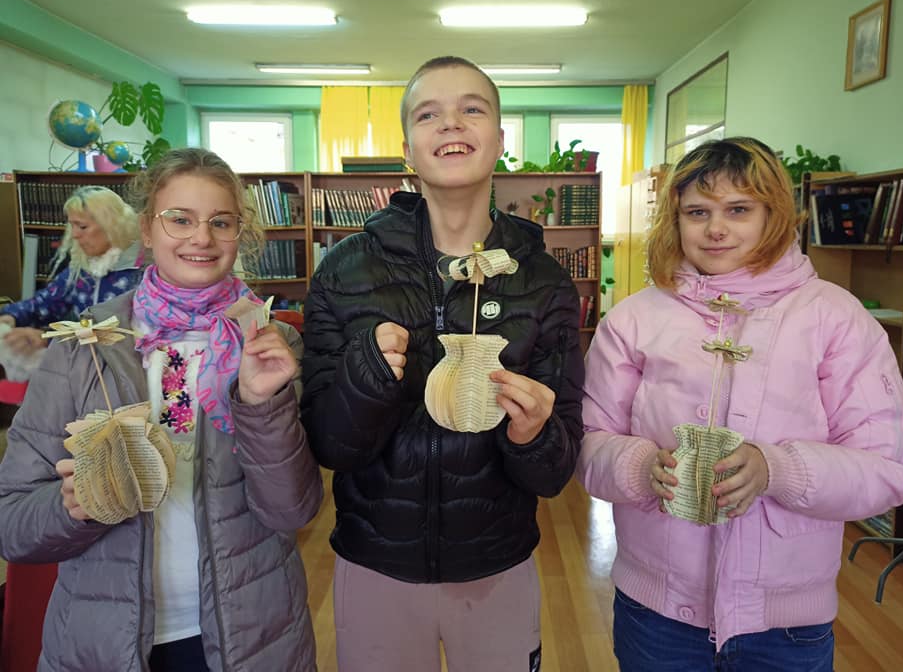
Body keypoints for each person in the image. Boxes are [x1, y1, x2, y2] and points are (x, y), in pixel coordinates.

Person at [576, 136, 903, 671]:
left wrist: (776, 469)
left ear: (773, 214)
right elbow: (586, 444)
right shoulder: (633, 319)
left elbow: (890, 467)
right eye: (697, 212)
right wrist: (639, 466)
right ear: (674, 220)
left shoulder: (835, 317)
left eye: (738, 210)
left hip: (786, 624)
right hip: (657, 613)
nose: (716, 229)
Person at [301, 56, 584, 672]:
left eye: (471, 109)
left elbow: (554, 473)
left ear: (500, 140)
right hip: (374, 563)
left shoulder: (544, 281)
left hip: (497, 564)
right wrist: (367, 376)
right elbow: (330, 446)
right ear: (408, 149)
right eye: (429, 114)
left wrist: (534, 434)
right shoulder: (345, 269)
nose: (451, 123)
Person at [0, 148, 323, 672]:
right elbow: (12, 523)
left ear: (239, 233)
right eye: (181, 219)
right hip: (103, 642)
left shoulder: (271, 345)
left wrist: (262, 405)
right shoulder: (83, 347)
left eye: (220, 222)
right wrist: (72, 507)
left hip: (250, 635)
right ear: (147, 229)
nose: (201, 238)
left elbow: (291, 511)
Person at [0, 185, 143, 357]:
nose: (74, 234)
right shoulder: (83, 270)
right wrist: (12, 316)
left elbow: (119, 336)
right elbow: (47, 301)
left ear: (112, 226)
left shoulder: (140, 274)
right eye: (72, 226)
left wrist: (50, 340)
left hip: (125, 369)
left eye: (82, 227)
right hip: (82, 363)